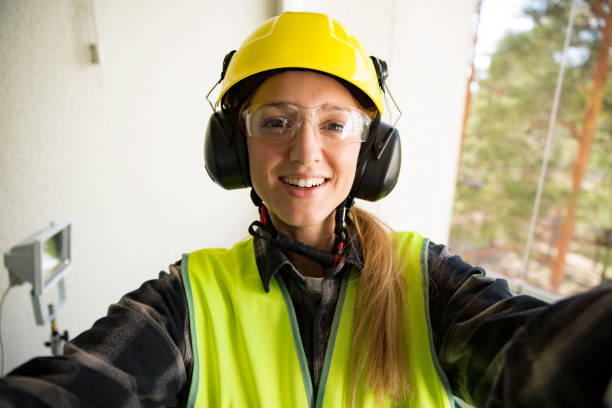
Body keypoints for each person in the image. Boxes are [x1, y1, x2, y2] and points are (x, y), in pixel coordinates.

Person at [1, 11, 611, 408]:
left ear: (372, 152)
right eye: (275, 122)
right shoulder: (189, 298)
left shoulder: (429, 283)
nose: (305, 151)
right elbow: (81, 389)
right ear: (236, 148)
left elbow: (538, 356)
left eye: (335, 124)